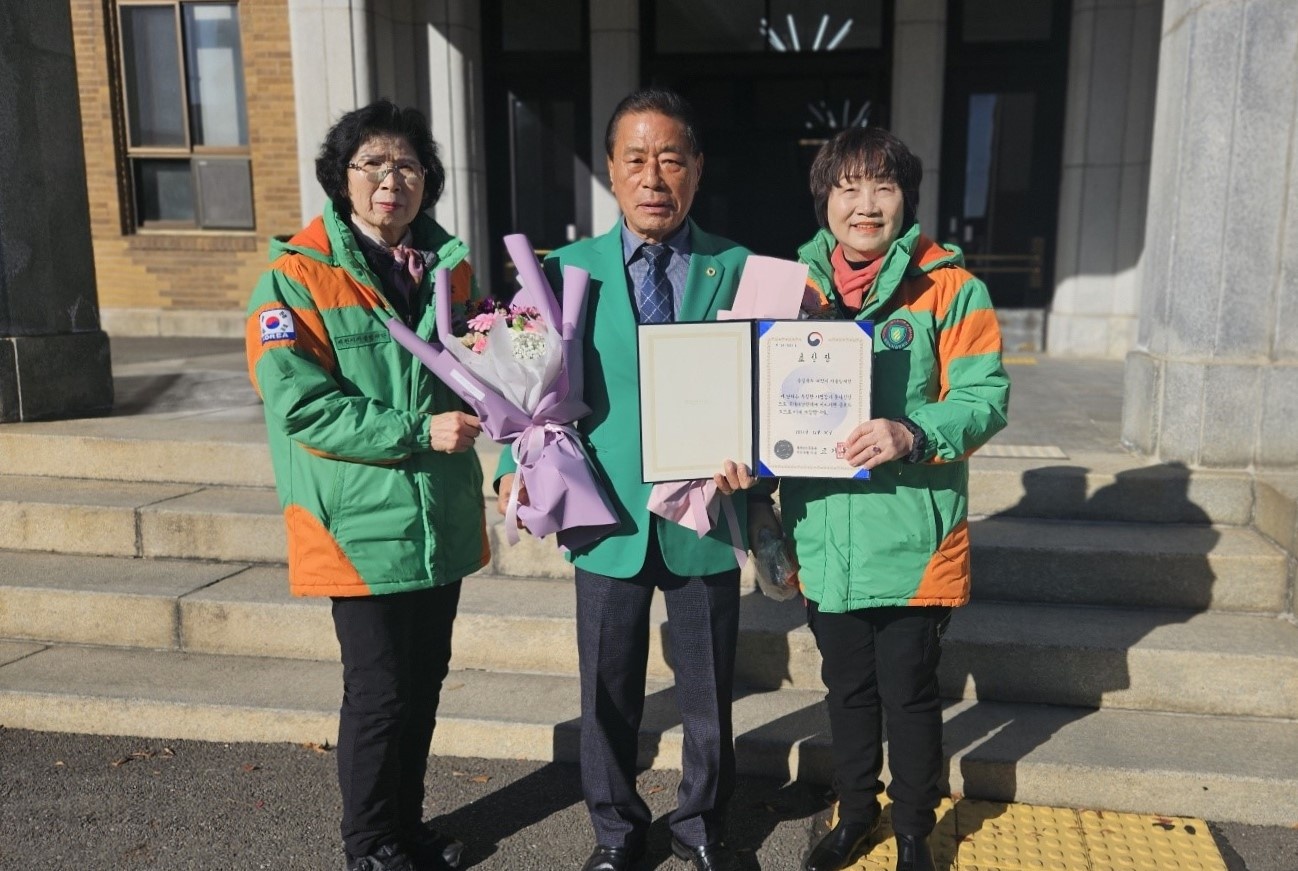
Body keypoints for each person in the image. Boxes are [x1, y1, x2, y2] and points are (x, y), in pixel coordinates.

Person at [496, 87, 755, 871]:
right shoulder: (562, 271)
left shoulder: (739, 269)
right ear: (610, 169)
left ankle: (702, 824)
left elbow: (766, 388)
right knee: (606, 692)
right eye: (636, 158)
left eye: (671, 158)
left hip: (704, 515)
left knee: (709, 695)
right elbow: (520, 396)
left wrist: (761, 464)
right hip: (602, 515)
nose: (654, 176)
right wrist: (514, 468)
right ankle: (614, 832)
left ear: (697, 170)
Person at [245, 100, 487, 871]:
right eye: (373, 164)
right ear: (340, 178)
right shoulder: (294, 277)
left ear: (428, 181)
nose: (392, 179)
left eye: (409, 165)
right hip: (358, 522)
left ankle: (405, 826)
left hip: (437, 514)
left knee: (422, 684)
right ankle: (368, 844)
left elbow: (489, 371)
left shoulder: (449, 268)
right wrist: (417, 430)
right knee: (380, 693)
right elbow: (300, 403)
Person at [768, 127, 1010, 871]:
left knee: (908, 693)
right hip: (822, 532)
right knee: (845, 688)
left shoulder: (952, 288)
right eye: (847, 187)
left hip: (912, 536)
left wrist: (912, 431)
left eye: (883, 186)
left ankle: (912, 829)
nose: (865, 204)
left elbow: (985, 398)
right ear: (825, 200)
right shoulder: (787, 287)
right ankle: (856, 811)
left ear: (906, 198)